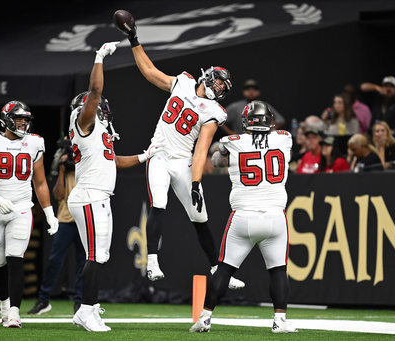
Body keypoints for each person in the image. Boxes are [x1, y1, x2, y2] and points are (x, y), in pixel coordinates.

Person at [125, 23, 245, 290]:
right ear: (207, 76)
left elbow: (202, 148)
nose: (219, 87)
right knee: (158, 203)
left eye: (223, 86)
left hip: (183, 161)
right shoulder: (183, 82)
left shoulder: (215, 111)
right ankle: (153, 261)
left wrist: (195, 183)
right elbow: (148, 71)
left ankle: (216, 268)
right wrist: (134, 39)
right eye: (217, 80)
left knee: (200, 217)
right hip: (158, 154)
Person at [67, 41, 164, 332]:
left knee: (97, 255)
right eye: (98, 108)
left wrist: (145, 155)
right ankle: (85, 310)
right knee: (98, 256)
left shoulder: (99, 134)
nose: (103, 111)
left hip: (96, 195)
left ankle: (89, 307)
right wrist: (99, 57)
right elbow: (95, 93)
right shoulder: (83, 120)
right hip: (90, 195)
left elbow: (114, 162)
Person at [191, 101, 297, 334]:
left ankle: (205, 318)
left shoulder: (231, 142)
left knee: (224, 269)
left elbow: (217, 161)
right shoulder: (284, 137)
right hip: (275, 216)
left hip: (243, 216)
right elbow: (283, 156)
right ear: (269, 120)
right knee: (278, 270)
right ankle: (280, 321)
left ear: (246, 122)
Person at [0, 100, 60, 328]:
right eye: (18, 119)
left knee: (15, 258)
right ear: (5, 119)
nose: (22, 124)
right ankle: (4, 307)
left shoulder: (35, 143)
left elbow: (40, 182)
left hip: (21, 208)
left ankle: (14, 312)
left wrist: (49, 213)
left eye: (25, 120)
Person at [28, 140, 85, 316]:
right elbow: (58, 194)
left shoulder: (86, 169)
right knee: (54, 261)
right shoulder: (66, 171)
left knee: (83, 264)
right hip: (66, 221)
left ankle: (80, 303)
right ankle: (43, 299)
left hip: (84, 222)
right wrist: (61, 169)